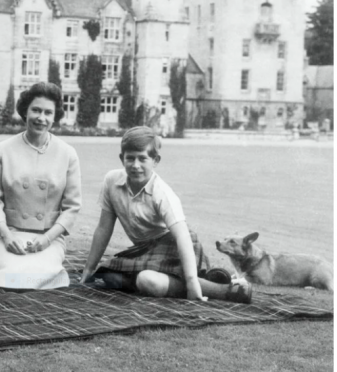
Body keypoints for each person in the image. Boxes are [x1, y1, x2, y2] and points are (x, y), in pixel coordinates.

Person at [79, 126, 252, 304]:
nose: (135, 165)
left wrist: (191, 282)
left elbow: (182, 236)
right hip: (144, 250)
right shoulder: (111, 181)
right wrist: (89, 268)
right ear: (121, 158)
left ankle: (226, 290)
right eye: (130, 158)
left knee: (147, 281)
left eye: (142, 158)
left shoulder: (162, 193)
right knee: (110, 277)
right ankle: (207, 278)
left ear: (155, 160)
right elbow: (103, 228)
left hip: (175, 245)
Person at [0, 82, 82, 289]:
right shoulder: (3, 150)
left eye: (48, 112)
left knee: (41, 276)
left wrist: (48, 239)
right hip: (10, 233)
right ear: (25, 112)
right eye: (36, 110)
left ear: (55, 116)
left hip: (48, 236)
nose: (41, 118)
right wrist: (7, 236)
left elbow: (72, 208)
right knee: (9, 277)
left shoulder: (67, 153)